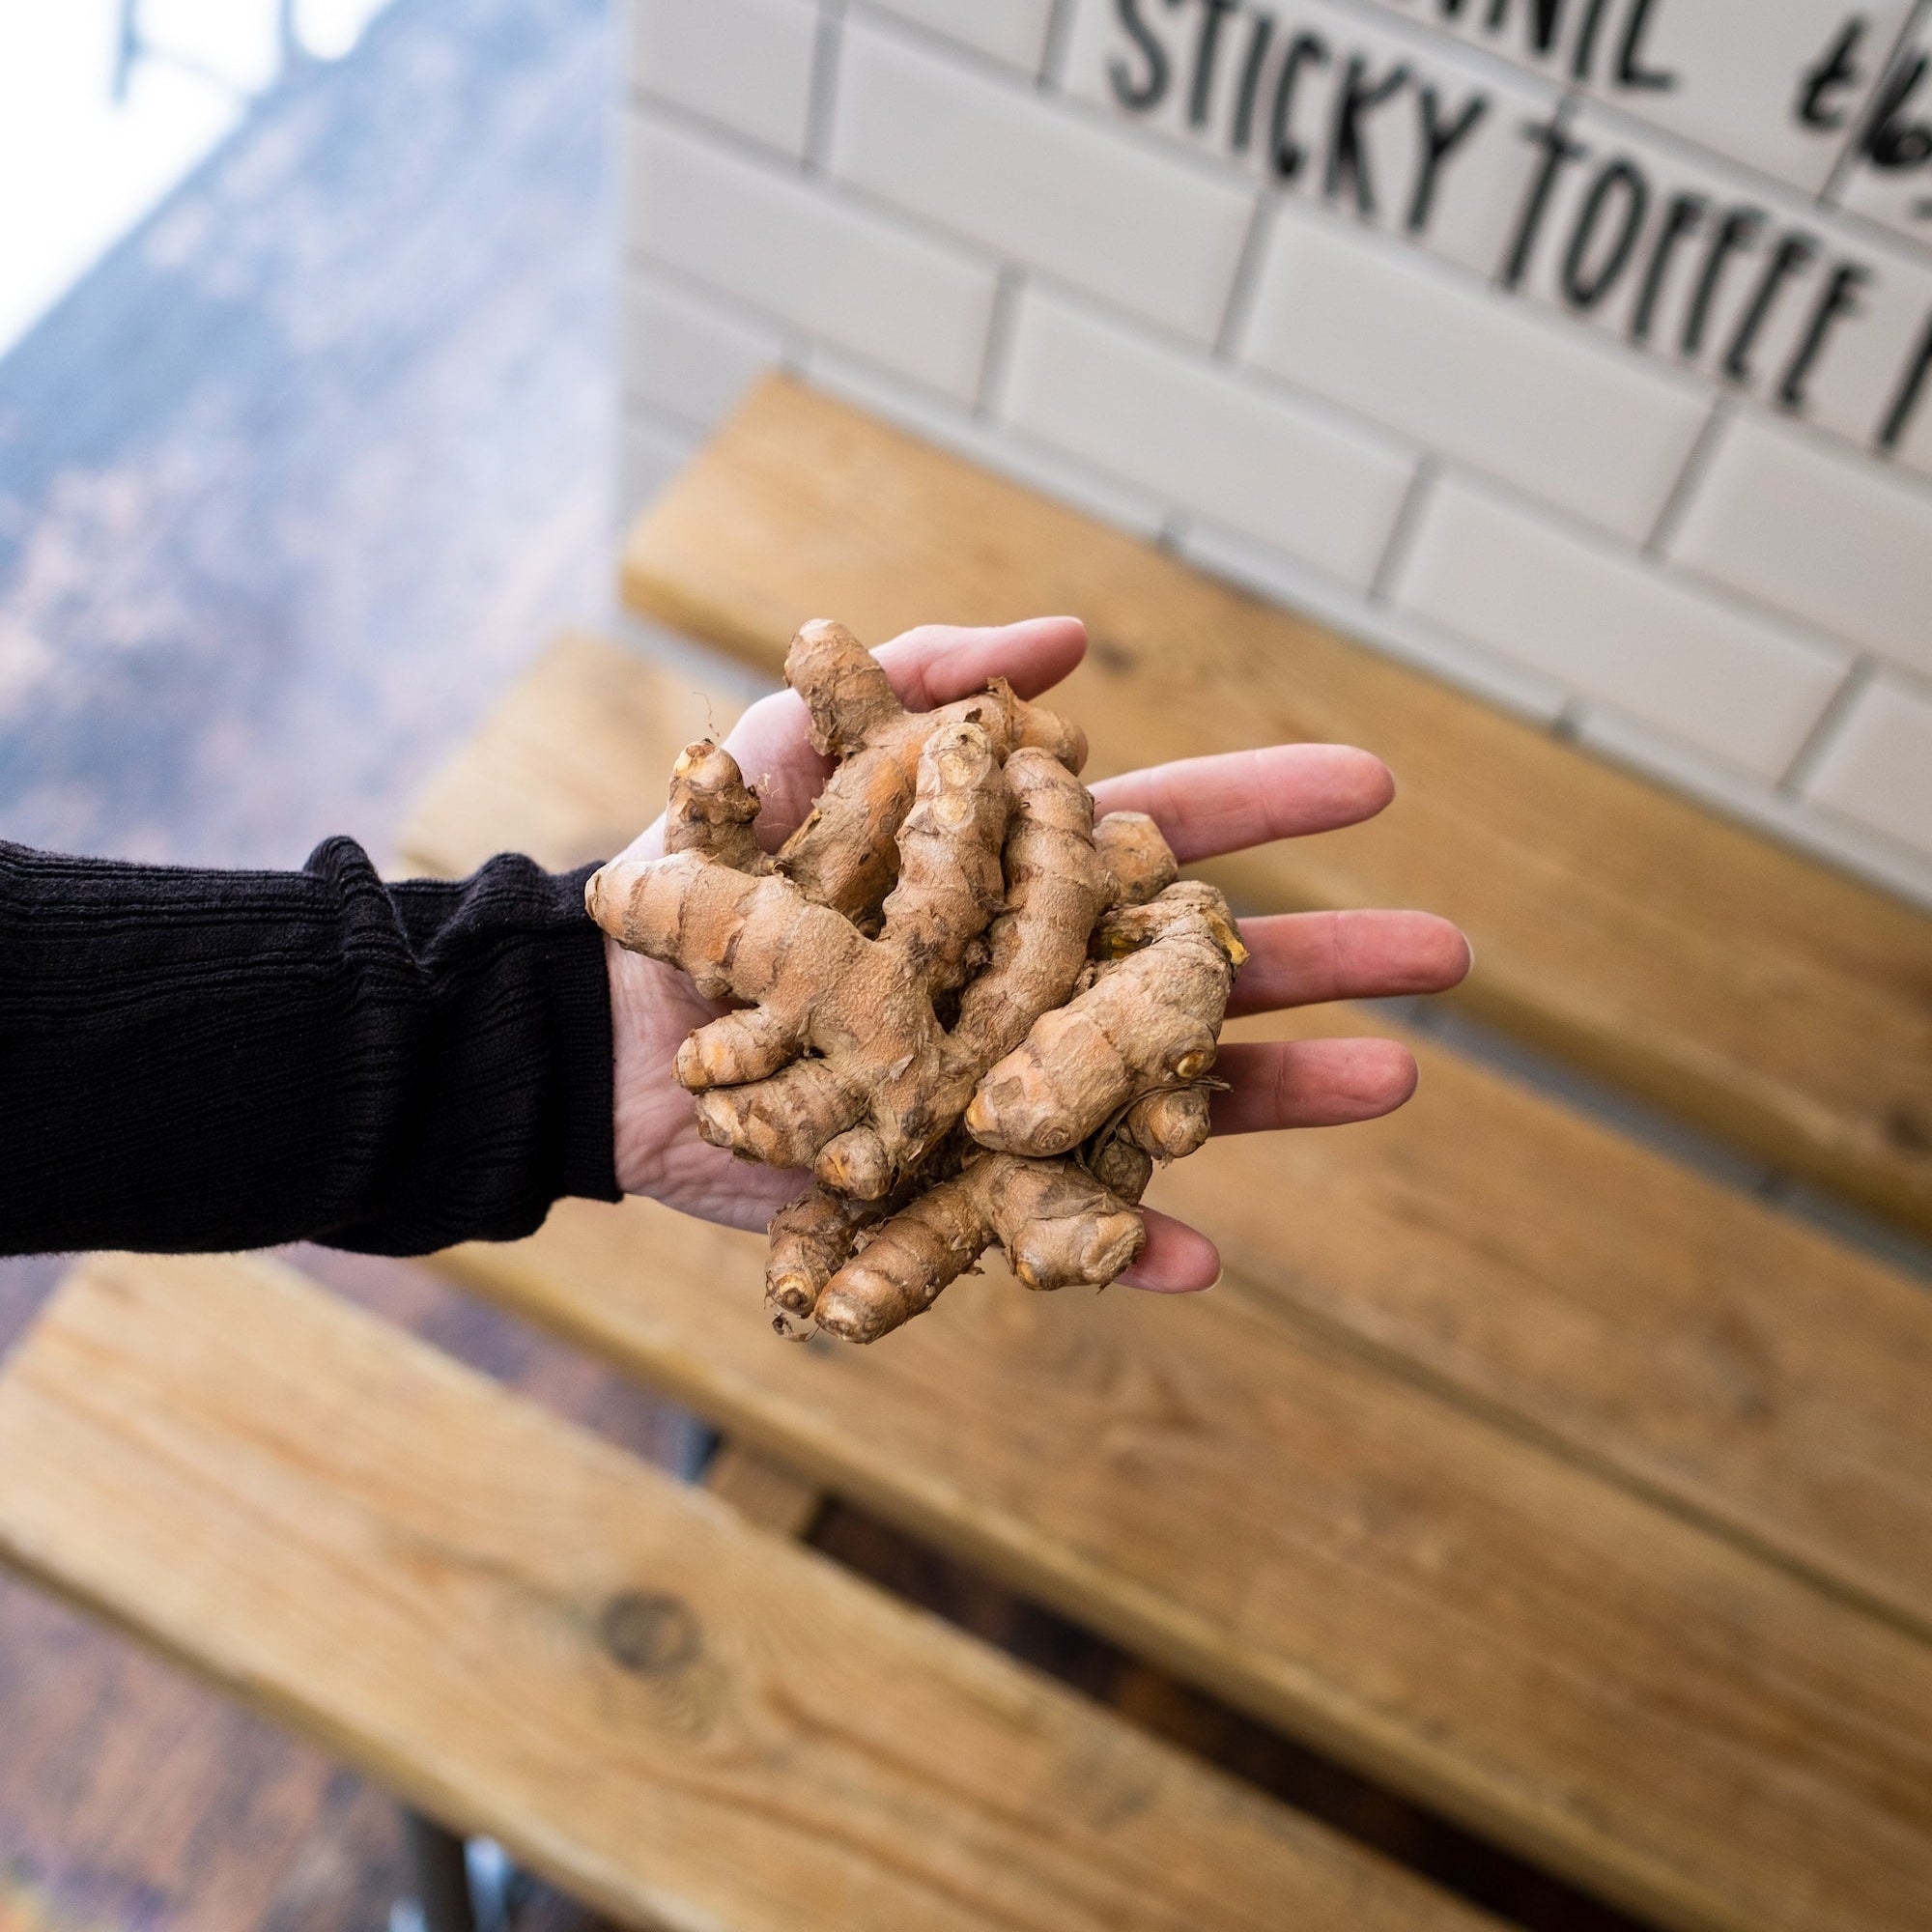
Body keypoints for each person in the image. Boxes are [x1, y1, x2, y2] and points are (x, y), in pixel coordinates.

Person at [0, 618, 1470, 1291]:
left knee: (985, 1056)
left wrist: (567, 1027)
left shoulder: (993, 1004)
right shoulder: (882, 1017)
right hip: (842, 1031)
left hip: (863, 1039)